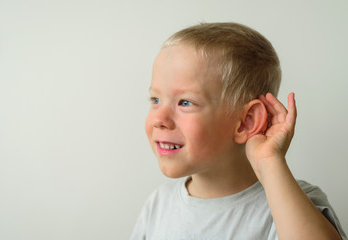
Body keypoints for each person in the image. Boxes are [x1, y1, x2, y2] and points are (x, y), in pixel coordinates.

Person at [130, 22, 347, 239]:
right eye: (155, 99)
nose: (159, 119)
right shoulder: (159, 204)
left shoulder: (291, 203)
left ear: (246, 122)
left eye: (185, 102)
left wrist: (270, 161)